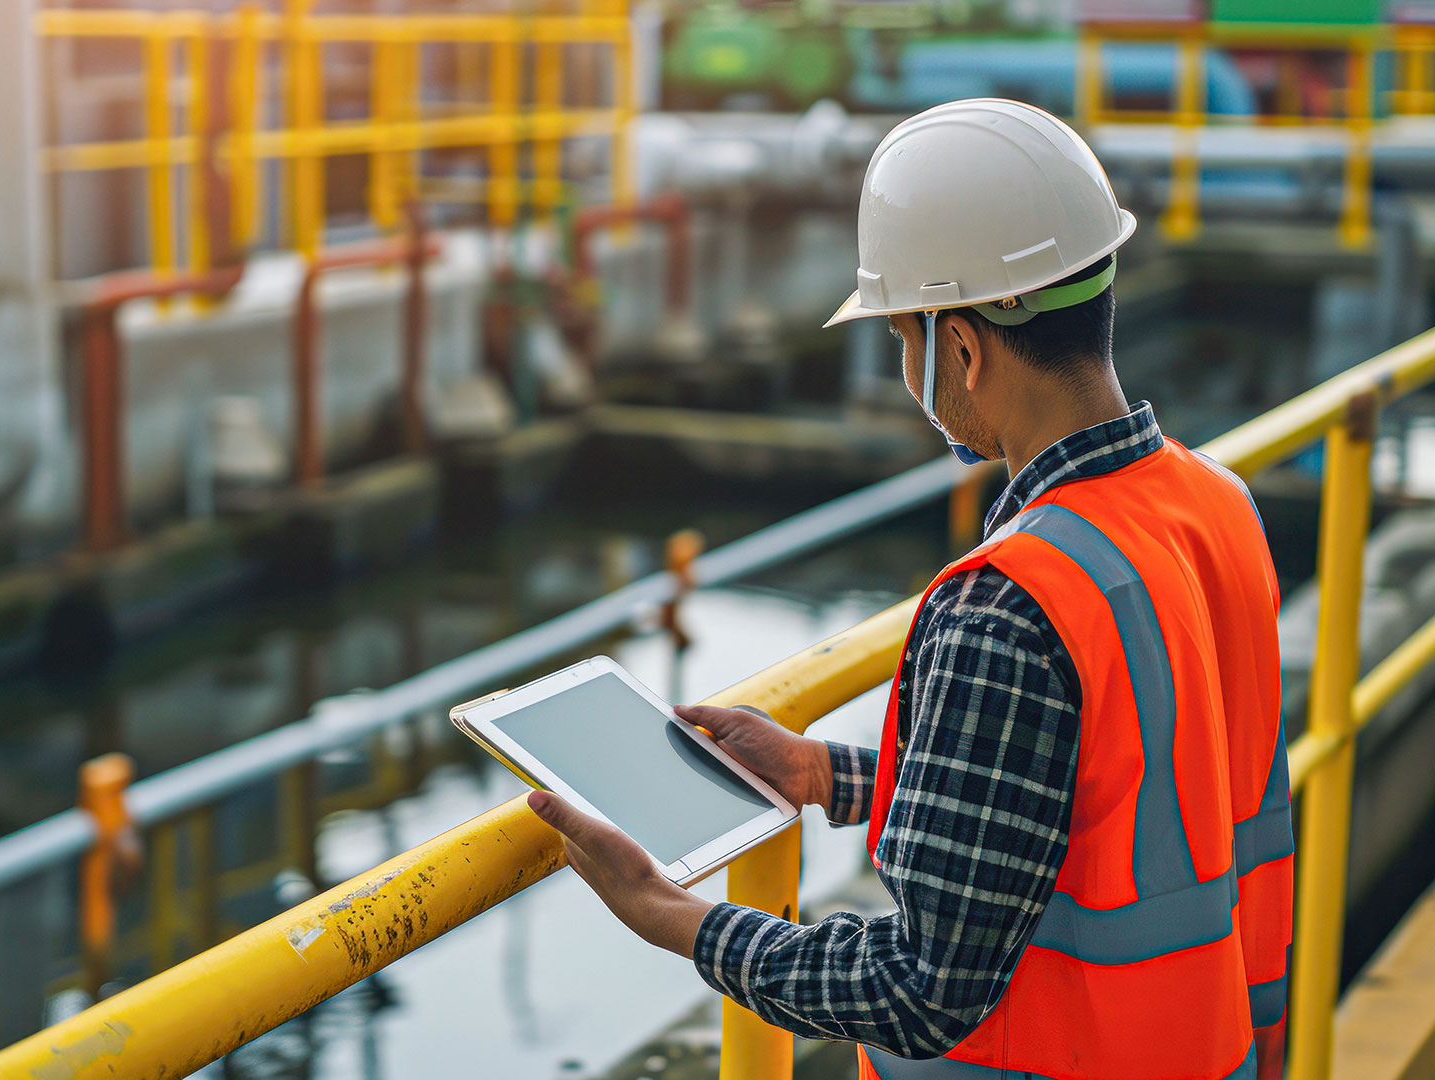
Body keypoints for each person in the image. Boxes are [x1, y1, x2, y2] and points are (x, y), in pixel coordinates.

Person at [527, 98, 1294, 1080]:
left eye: (902, 338)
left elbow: (920, 991)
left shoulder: (1011, 602)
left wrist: (671, 916)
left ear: (961, 349)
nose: (904, 366)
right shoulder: (1217, 507)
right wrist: (826, 777)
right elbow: (1104, 797)